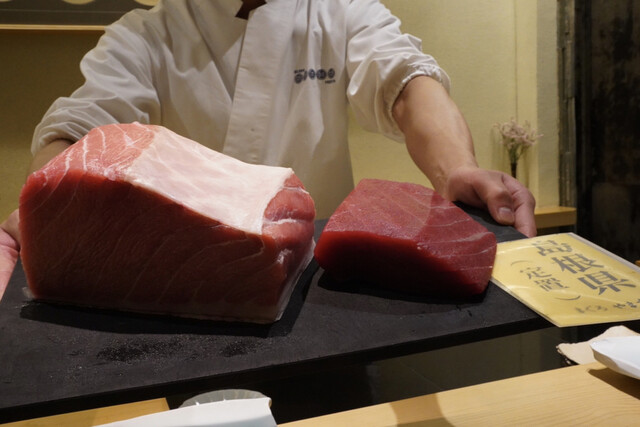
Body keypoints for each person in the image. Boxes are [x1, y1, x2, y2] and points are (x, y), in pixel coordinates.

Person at [0, 0, 536, 298]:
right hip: (192, 282)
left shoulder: (341, 10)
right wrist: (51, 201)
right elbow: (83, 122)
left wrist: (457, 166)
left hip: (326, 287)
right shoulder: (147, 33)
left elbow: (405, 82)